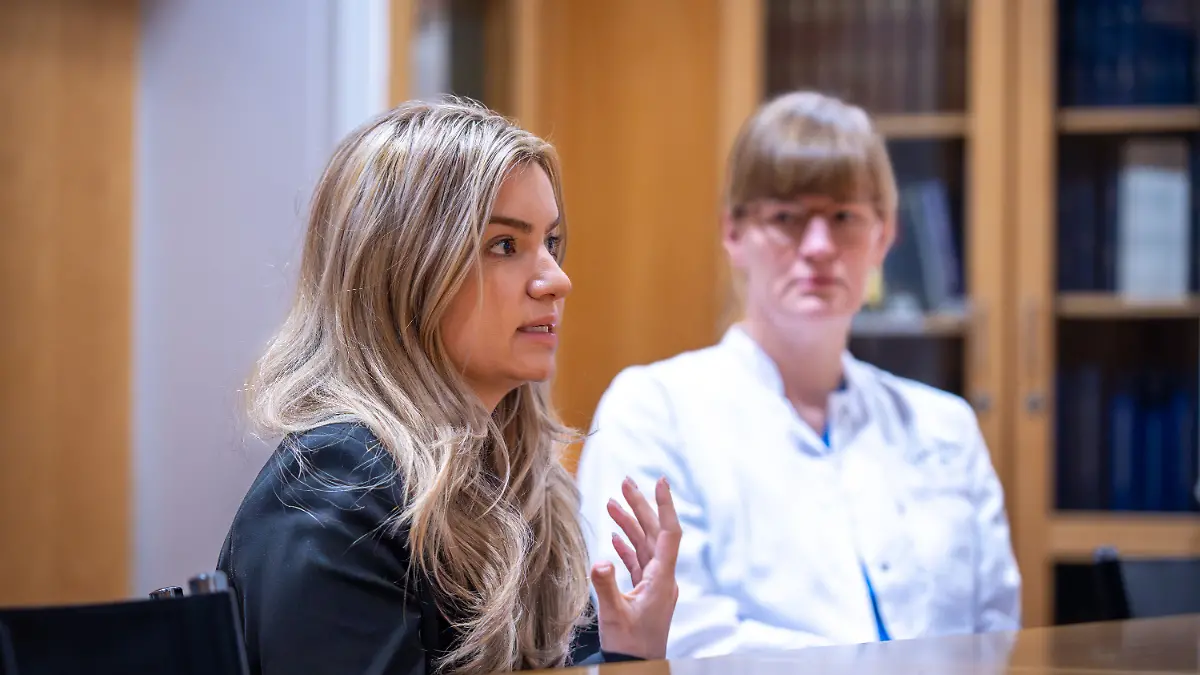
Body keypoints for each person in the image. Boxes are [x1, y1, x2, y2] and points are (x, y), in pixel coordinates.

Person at [216, 98, 681, 675]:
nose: (557, 280)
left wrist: (631, 654)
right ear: (406, 270)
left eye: (551, 243)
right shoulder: (336, 485)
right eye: (506, 246)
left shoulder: (515, 479)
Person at [574, 91, 1021, 658]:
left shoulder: (947, 427)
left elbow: (997, 637)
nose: (818, 247)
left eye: (844, 217)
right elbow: (674, 633)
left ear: (884, 236)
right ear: (732, 234)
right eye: (786, 218)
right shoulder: (652, 410)